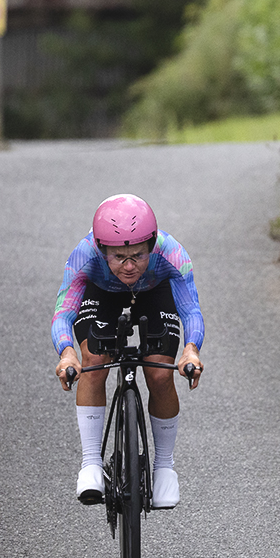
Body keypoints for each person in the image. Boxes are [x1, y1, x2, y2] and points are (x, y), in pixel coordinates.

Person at [52, 193, 205, 509]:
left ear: (151, 246)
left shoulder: (172, 254)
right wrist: (66, 353)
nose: (130, 265)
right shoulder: (85, 256)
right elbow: (63, 313)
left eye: (138, 255)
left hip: (154, 293)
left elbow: (190, 310)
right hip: (102, 294)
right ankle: (91, 462)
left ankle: (164, 467)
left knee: (161, 374)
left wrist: (191, 350)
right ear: (101, 249)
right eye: (119, 257)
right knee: (93, 360)